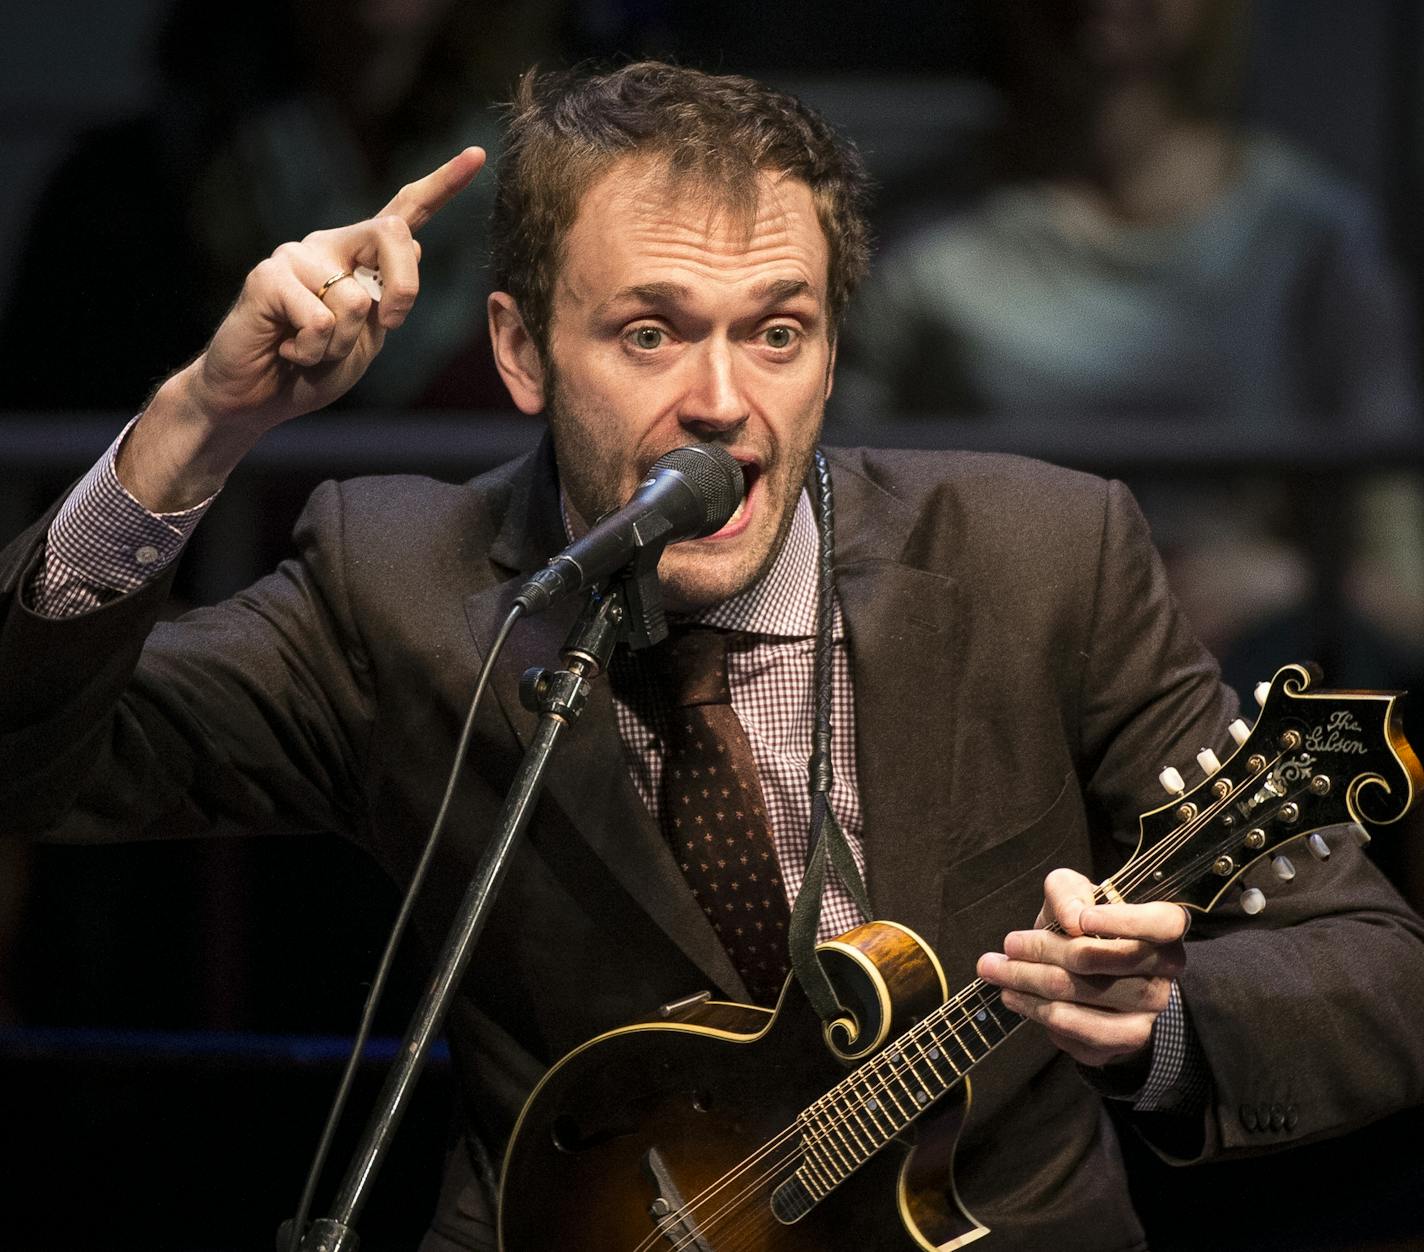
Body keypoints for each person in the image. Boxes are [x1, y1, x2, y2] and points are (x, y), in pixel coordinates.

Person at [2, 62, 1423, 1251]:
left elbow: (1376, 971)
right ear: (520, 351)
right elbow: (35, 770)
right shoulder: (399, 585)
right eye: (649, 333)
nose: (722, 405)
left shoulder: (1044, 558)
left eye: (779, 334)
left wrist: (1163, 1024)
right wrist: (199, 426)